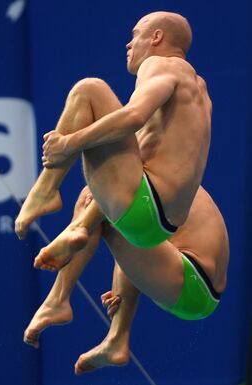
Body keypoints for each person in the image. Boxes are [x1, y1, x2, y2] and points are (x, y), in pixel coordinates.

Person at [15, 11, 212, 271]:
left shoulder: (162, 65)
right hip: (162, 229)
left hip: (144, 205)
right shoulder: (200, 91)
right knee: (116, 148)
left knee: (89, 89)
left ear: (156, 37)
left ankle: (45, 189)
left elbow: (133, 117)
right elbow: (140, 150)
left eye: (135, 35)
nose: (128, 44)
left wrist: (67, 145)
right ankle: (78, 229)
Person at [21, 185, 229, 375]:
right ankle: (116, 337)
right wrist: (121, 288)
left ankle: (58, 300)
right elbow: (142, 237)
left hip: (193, 277)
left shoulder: (146, 169)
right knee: (115, 211)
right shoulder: (162, 172)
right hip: (194, 282)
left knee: (96, 199)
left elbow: (107, 206)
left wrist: (47, 186)